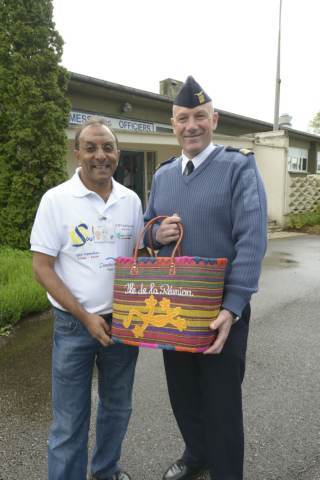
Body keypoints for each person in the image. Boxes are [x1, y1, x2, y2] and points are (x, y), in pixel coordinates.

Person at [144, 76, 267, 480]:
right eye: (183, 118)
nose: (191, 125)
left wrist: (233, 307)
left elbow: (251, 241)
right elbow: (145, 230)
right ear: (173, 125)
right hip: (172, 307)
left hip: (220, 311)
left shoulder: (238, 166)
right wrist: (154, 234)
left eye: (199, 116)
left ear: (213, 119)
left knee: (221, 401)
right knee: (183, 395)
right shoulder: (162, 176)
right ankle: (196, 453)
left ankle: (227, 471)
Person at [30, 118, 144, 480]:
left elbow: (137, 261)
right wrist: (84, 317)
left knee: (117, 408)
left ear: (118, 154)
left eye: (107, 147)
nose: (100, 155)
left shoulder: (131, 200)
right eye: (91, 147)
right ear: (77, 152)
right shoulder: (56, 200)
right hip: (73, 326)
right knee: (69, 420)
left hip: (123, 324)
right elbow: (42, 268)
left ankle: (106, 469)